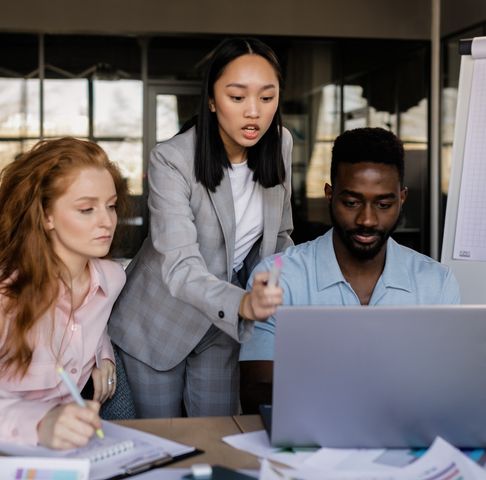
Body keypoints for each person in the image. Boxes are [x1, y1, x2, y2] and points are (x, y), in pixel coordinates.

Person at [108, 37, 293, 417]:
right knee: (160, 445)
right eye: (237, 97)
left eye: (267, 97)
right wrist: (242, 303)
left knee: (217, 436)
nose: (253, 112)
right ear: (211, 100)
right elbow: (179, 265)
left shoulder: (281, 143)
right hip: (157, 324)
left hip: (221, 326)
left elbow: (280, 235)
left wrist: (274, 286)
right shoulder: (172, 159)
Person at [239, 127, 461, 413]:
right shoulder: (281, 278)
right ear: (329, 195)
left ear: (402, 198)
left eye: (383, 204)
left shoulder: (437, 284)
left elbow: (448, 392)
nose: (367, 220)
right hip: (307, 449)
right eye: (352, 202)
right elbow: (257, 394)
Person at [0, 137, 129, 448]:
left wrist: (103, 353)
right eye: (86, 209)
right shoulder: (8, 294)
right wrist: (40, 425)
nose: (106, 221)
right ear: (47, 216)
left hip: (73, 452)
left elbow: (88, 323)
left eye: (110, 206)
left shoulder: (111, 279)